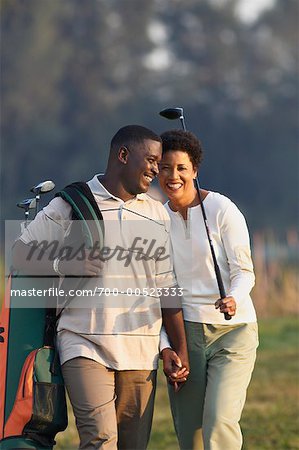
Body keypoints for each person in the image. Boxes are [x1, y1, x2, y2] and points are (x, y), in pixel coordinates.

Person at [12, 125, 189, 450]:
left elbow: (166, 285)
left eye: (158, 162)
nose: (155, 169)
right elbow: (21, 252)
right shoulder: (72, 202)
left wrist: (177, 346)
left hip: (140, 350)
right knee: (100, 438)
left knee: (132, 446)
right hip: (83, 342)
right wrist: (65, 265)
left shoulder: (156, 214)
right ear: (123, 155)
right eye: (150, 160)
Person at [158, 129, 258, 450]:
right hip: (185, 335)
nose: (173, 176)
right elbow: (159, 291)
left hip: (234, 330)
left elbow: (245, 272)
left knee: (218, 422)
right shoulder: (155, 218)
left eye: (181, 168)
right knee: (191, 434)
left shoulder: (222, 210)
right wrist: (166, 345)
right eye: (164, 168)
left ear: (195, 171)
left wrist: (233, 298)